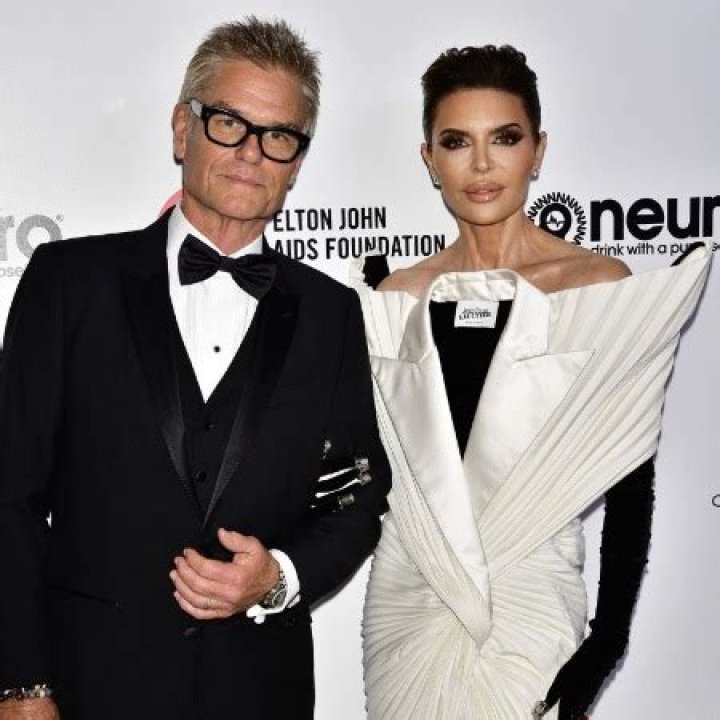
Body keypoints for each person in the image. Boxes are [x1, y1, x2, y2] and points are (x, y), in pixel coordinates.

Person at [0, 17, 390, 720]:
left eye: (278, 135)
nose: (251, 153)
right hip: (87, 690)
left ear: (297, 162)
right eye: (228, 123)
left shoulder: (331, 313)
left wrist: (278, 577)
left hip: (259, 692)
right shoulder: (69, 282)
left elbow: (356, 498)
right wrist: (22, 686)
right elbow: (9, 496)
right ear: (183, 129)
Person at [356, 46, 710, 719]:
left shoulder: (597, 287)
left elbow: (630, 479)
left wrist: (608, 638)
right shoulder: (395, 297)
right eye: (456, 142)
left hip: (529, 595)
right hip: (409, 594)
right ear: (429, 160)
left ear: (538, 151)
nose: (481, 165)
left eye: (505, 138)